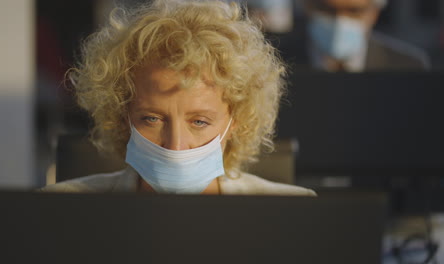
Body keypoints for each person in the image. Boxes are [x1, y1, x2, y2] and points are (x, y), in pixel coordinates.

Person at [40, 0, 315, 196]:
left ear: (237, 122)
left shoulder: (295, 211)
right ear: (123, 117)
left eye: (199, 121)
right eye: (152, 118)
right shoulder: (60, 208)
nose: (175, 145)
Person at [275, 0, 430, 72]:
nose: (340, 21)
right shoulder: (275, 61)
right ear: (307, 6)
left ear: (374, 13)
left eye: (354, 11)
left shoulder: (408, 66)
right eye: (328, 10)